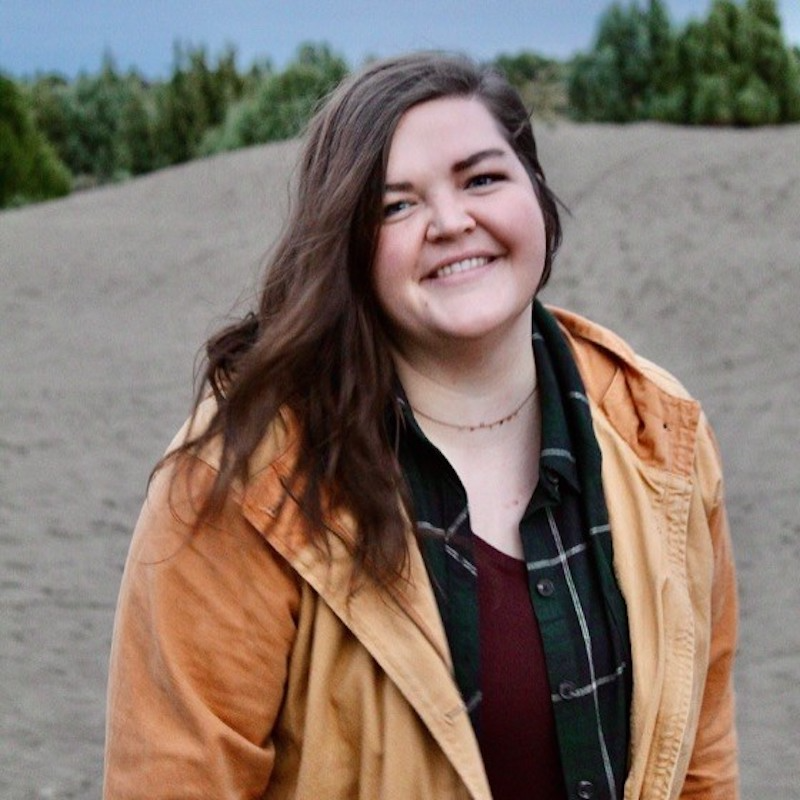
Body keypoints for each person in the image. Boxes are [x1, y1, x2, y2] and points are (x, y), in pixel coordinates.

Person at [103, 52, 739, 800]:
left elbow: (700, 759)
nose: (450, 222)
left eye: (482, 179)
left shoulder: (660, 436)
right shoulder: (244, 478)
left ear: (534, 192)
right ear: (349, 245)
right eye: (395, 206)